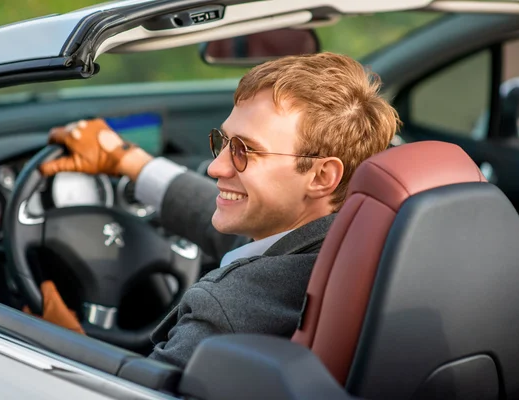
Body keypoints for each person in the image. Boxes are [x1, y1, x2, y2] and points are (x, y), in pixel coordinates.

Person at [37, 52, 401, 367]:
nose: (216, 168)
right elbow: (222, 229)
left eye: (245, 151)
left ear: (322, 176)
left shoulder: (225, 310)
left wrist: (64, 344)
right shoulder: (360, 245)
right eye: (223, 142)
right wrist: (126, 160)